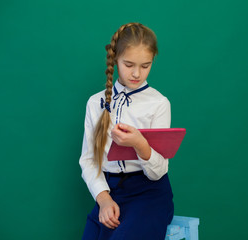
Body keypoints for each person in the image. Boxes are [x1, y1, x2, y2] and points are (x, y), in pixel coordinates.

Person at [79, 22, 174, 240]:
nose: (136, 73)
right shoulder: (96, 103)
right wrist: (103, 199)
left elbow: (158, 171)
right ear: (115, 59)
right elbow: (88, 160)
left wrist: (140, 143)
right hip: (110, 191)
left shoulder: (159, 103)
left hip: (148, 194)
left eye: (145, 65)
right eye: (129, 64)